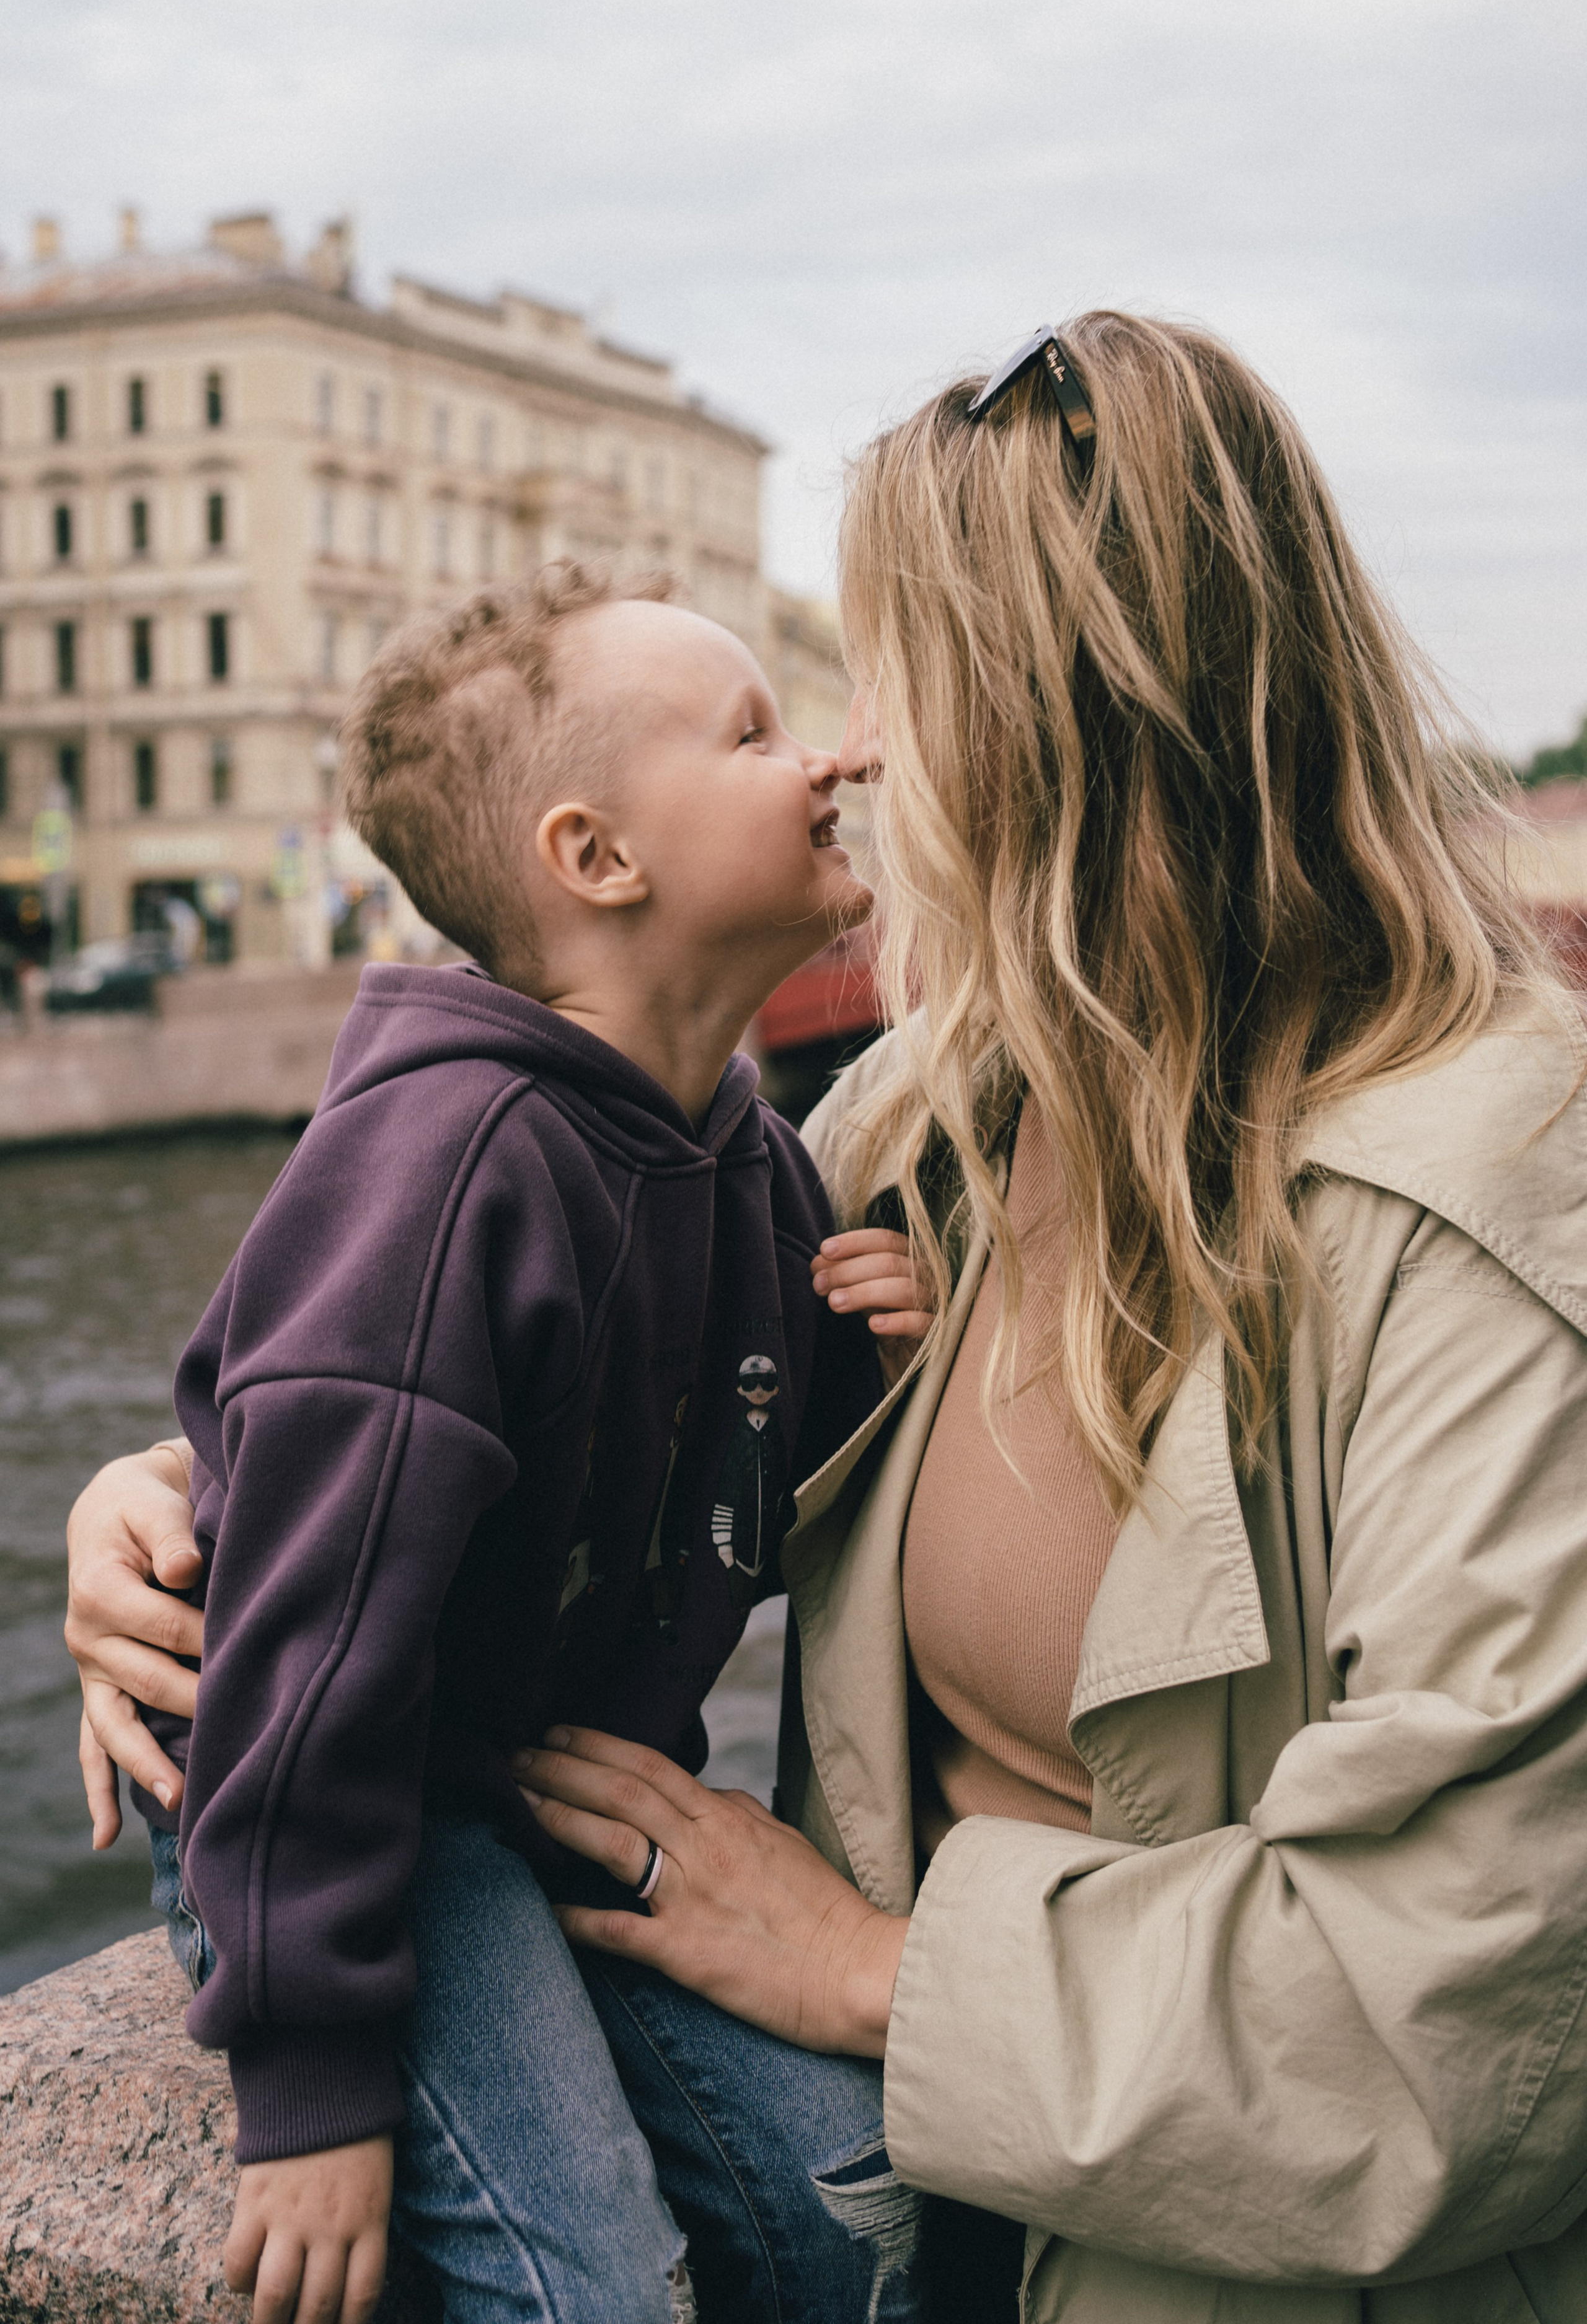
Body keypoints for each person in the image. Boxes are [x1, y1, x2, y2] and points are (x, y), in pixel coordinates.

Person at [68, 312, 1587, 2323]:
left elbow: (1468, 2024)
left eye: (893, 686)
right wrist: (170, 1503)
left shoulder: (1485, 1218)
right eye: (789, 717)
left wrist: (880, 1972)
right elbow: (459, 1385)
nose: (852, 753)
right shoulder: (914, 1127)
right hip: (906, 2189)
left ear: (1066, 725)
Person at [88, 559, 940, 2324]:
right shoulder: (449, 1171)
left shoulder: (751, 1159)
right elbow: (306, 1661)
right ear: (597, 857)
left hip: (536, 1776)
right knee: (591, 2290)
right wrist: (313, 2085)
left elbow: (756, 1493)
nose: (827, 762)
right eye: (753, 734)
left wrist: (894, 1360)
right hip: (338, 1799)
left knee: (851, 2205)